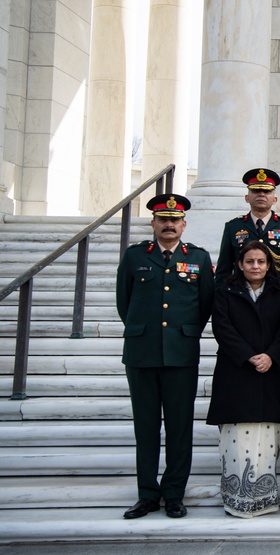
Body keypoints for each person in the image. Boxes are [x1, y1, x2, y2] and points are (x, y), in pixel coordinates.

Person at [116, 194, 214, 520]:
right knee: (145, 428)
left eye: (175, 220)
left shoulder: (198, 258)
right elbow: (124, 303)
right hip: (142, 354)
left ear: (184, 224)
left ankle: (174, 494)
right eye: (163, 219)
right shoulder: (134, 257)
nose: (169, 225)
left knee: (179, 427)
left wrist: (182, 336)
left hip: (181, 355)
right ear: (153, 223)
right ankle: (147, 494)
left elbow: (204, 307)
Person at [206, 240, 280, 518]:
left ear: (269, 265)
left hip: (269, 372)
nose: (256, 266)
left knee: (265, 438)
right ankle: (237, 499)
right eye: (250, 261)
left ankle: (262, 499)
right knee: (236, 440)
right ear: (240, 264)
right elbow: (222, 327)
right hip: (236, 372)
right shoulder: (225, 291)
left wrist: (271, 356)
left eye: (261, 262)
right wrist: (248, 356)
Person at [216, 168, 280, 293]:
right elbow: (223, 270)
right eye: (256, 190)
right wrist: (220, 301)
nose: (261, 194)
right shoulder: (233, 227)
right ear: (247, 197)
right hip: (241, 294)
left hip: (277, 294)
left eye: (267, 191)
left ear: (274, 199)